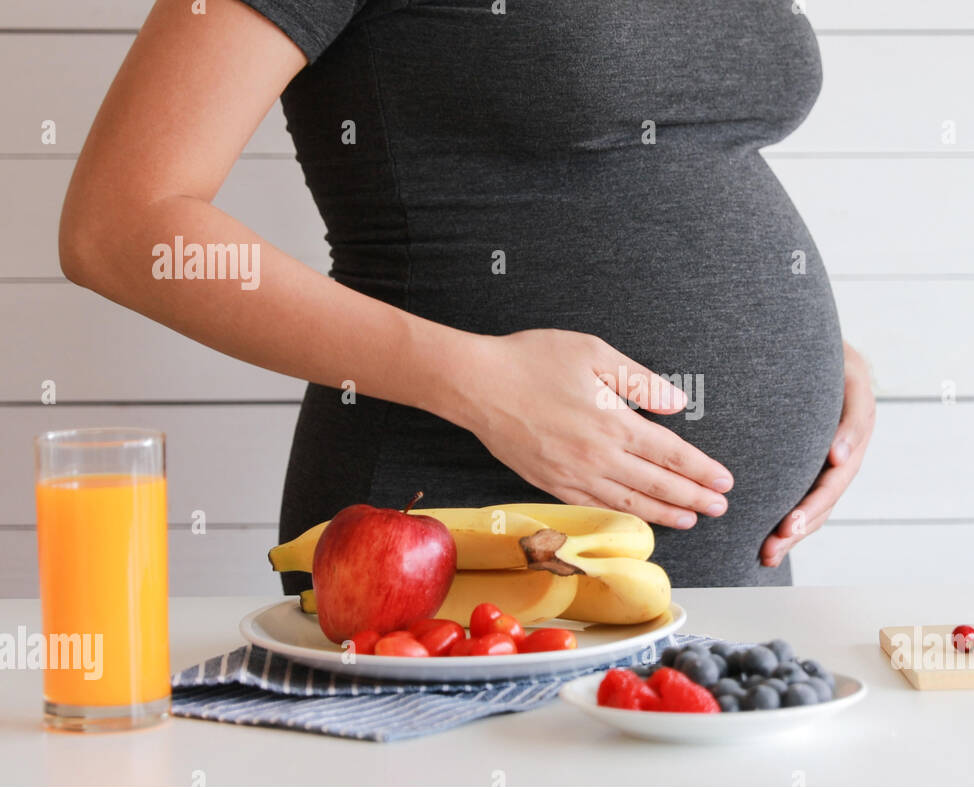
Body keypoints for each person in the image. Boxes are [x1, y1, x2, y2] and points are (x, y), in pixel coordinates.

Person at [58, 0, 876, 591]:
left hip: (731, 565)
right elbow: (121, 226)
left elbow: (674, 155)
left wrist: (801, 352)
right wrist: (482, 383)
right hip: (454, 541)